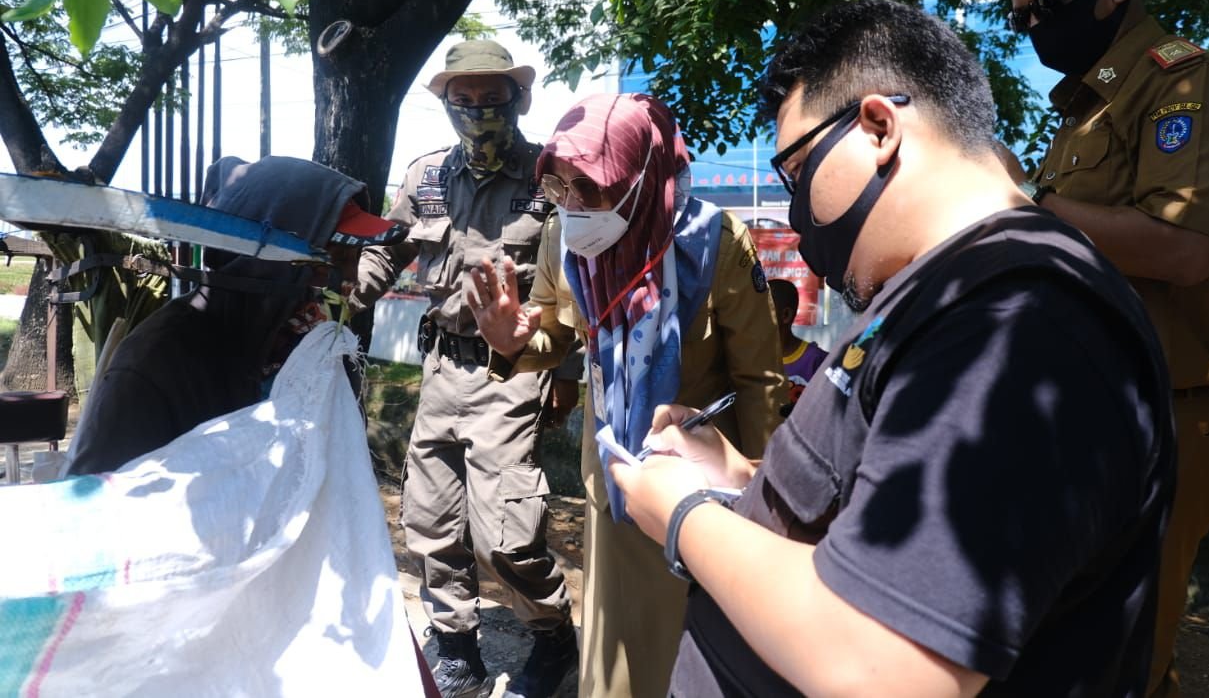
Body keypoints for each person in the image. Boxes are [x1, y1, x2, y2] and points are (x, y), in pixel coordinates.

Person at [611, 0, 1177, 696]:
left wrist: (682, 515)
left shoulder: (1017, 321)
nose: (796, 212)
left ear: (878, 127)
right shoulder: (940, 287)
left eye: (797, 173)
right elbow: (877, 506)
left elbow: (884, 667)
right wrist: (740, 479)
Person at [996, 0, 1209, 696]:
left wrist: (1025, 204)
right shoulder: (1087, 107)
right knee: (1061, 650)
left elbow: (1185, 248)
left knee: (1121, 665)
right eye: (1021, 18)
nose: (1035, 27)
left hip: (1156, 419)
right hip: (1073, 413)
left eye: (1049, 4)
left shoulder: (1190, 84)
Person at [468, 92, 788, 698]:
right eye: (557, 187)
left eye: (589, 187)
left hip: (700, 487)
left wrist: (766, 494)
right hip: (613, 478)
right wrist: (513, 343)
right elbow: (556, 333)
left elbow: (758, 381)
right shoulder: (562, 239)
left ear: (641, 177)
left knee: (694, 649)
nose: (572, 206)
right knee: (616, 652)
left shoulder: (713, 244)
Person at [351, 40, 576, 698]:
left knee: (505, 531)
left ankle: (552, 635)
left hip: (514, 369)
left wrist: (567, 374)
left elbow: (576, 282)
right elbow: (386, 249)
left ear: (519, 99)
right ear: (447, 105)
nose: (478, 110)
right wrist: (347, 290)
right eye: (464, 99)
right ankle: (456, 650)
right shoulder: (425, 177)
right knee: (431, 519)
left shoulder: (550, 176)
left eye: (492, 97)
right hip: (441, 366)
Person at [66, 155, 407, 476]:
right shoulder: (155, 366)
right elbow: (101, 500)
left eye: (356, 258)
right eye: (333, 259)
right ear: (263, 263)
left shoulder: (316, 356)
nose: (351, 280)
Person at [766, 278, 828, 410]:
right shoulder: (751, 360)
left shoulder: (817, 360)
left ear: (785, 315)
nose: (752, 320)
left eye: (760, 313)